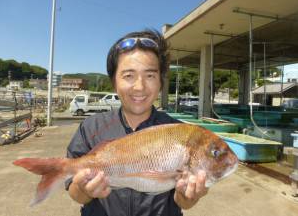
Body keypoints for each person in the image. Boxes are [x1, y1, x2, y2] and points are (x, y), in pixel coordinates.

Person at [65, 29, 208, 216]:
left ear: (161, 82)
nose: (139, 87)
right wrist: (83, 189)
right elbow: (74, 192)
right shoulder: (91, 128)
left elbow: (183, 203)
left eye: (150, 76)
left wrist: (188, 196)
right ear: (114, 82)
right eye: (128, 76)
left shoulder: (180, 133)